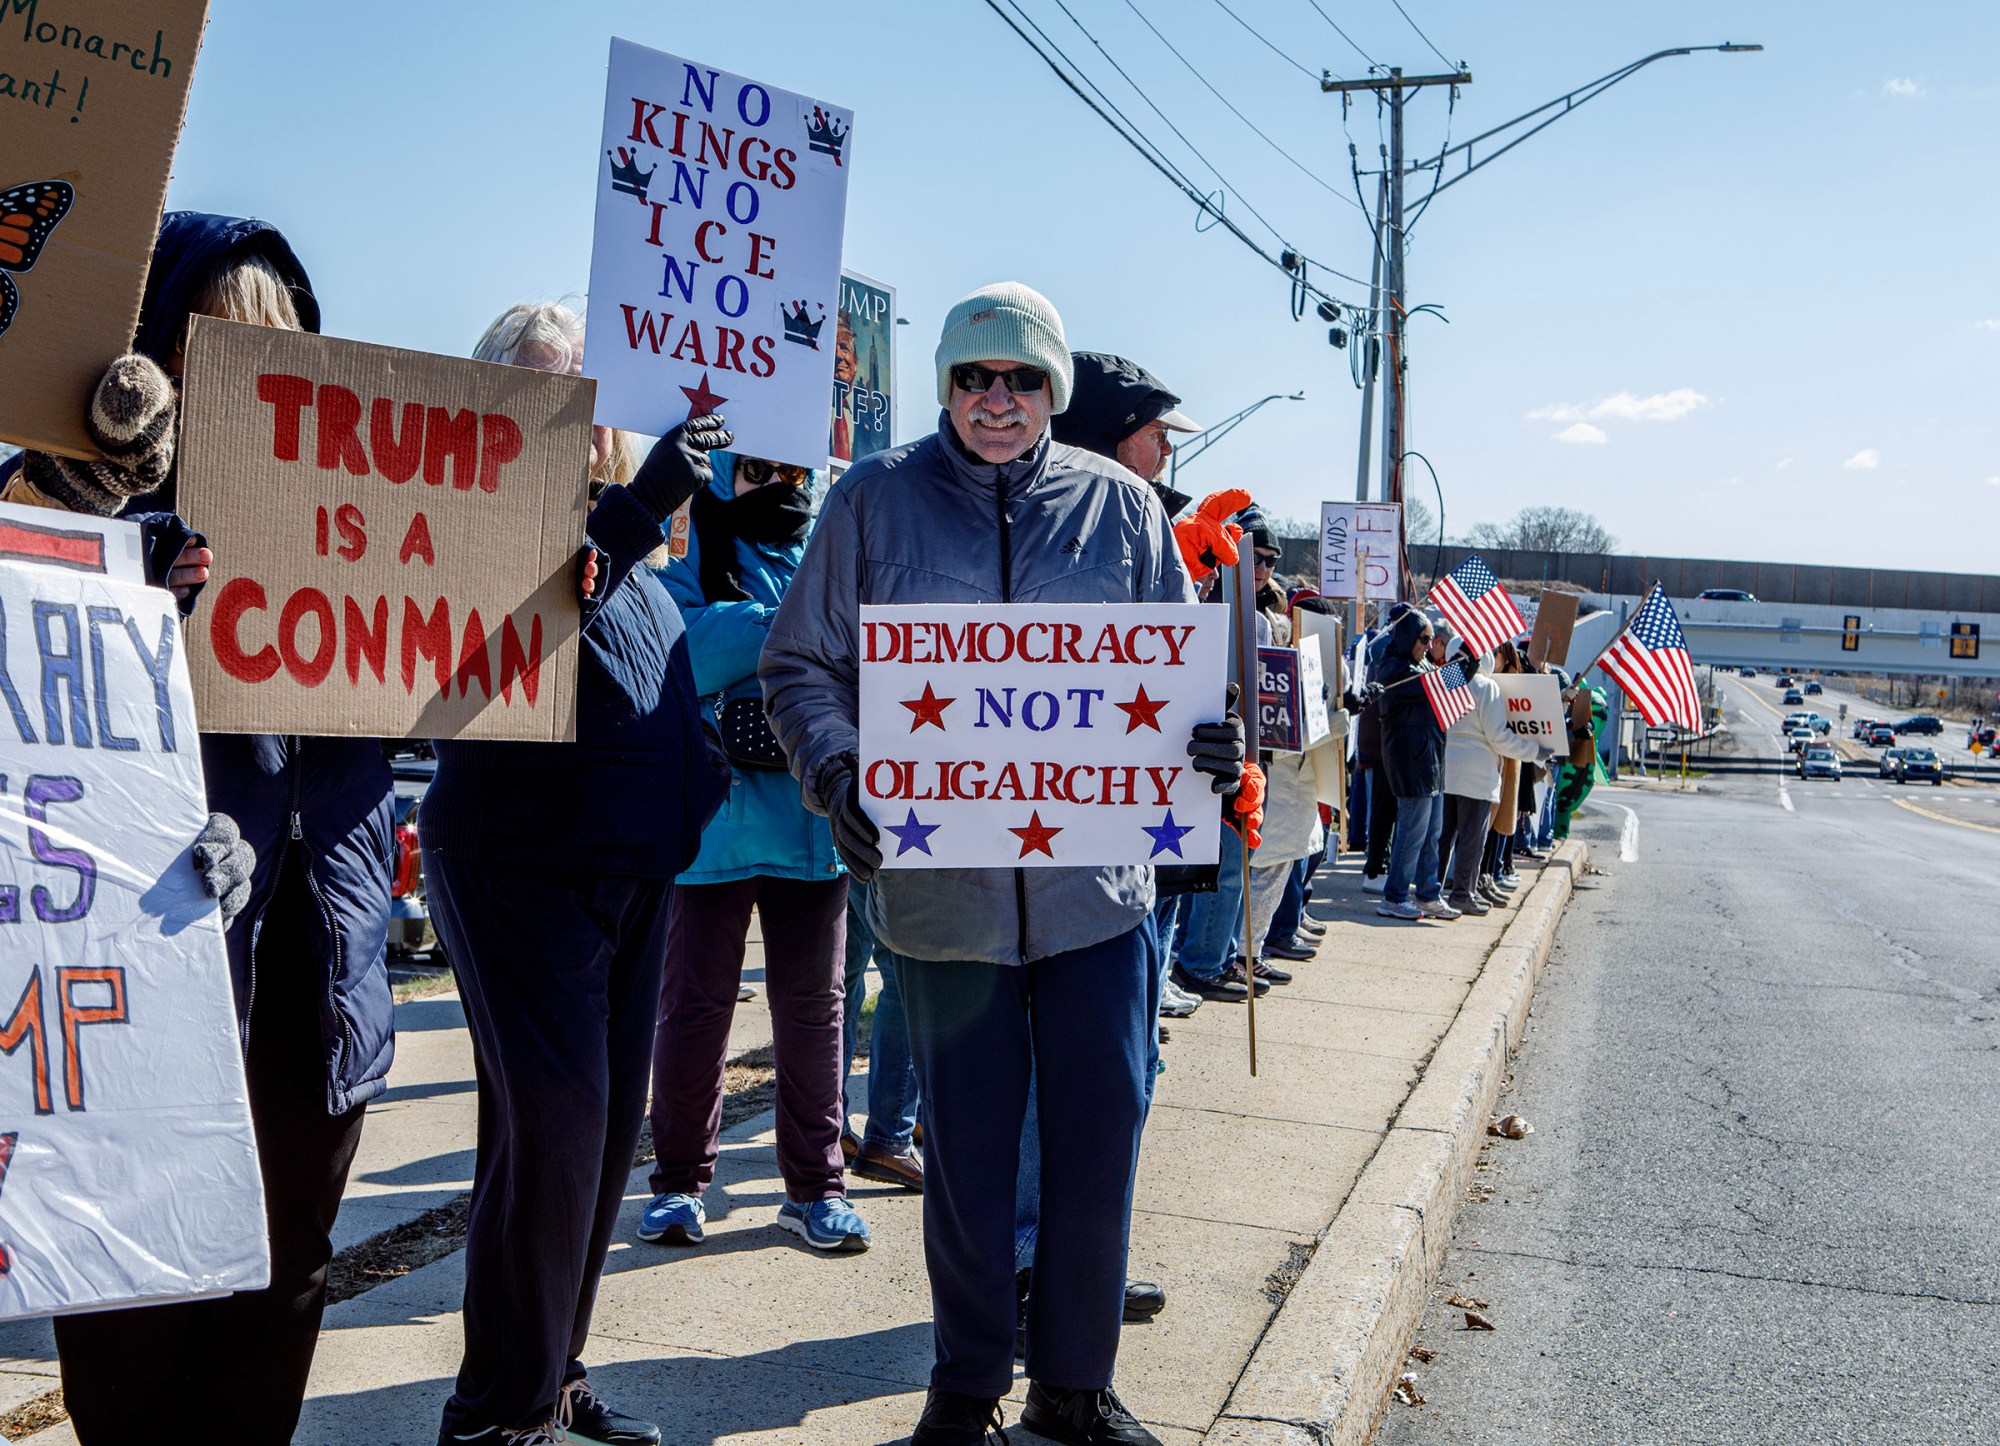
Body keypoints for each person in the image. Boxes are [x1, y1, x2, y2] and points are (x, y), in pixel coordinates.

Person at [761, 282, 1250, 1446]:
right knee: (969, 1163)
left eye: (1022, 378)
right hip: (941, 901)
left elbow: (1181, 679)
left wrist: (1206, 736)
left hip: (1096, 902)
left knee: (1096, 1145)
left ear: (1053, 391)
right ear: (943, 386)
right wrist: (839, 777)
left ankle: (1075, 1391)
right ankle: (966, 1388)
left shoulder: (1125, 510)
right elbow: (798, 668)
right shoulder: (872, 503)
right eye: (974, 377)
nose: (996, 399)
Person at [14, 213, 397, 1446]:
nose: (250, 374)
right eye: (216, 345)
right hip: (139, 977)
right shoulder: (78, 517)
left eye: (277, 348)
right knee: (132, 1294)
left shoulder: (360, 524)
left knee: (283, 1278)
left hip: (314, 964)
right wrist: (119, 548)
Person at [424, 302, 729, 1446]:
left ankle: (552, 1372)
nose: (574, 417)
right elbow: (515, 628)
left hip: (630, 874)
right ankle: (494, 1413)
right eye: (546, 389)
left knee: (600, 1142)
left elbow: (642, 668)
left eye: (587, 396)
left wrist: (704, 773)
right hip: (518, 868)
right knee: (551, 1129)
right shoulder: (463, 520)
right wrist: (640, 506)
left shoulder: (636, 551)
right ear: (493, 399)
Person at [640, 448, 879, 1251]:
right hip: (715, 819)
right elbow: (676, 648)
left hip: (816, 822)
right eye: (756, 474)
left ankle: (816, 1188)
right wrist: (786, 627)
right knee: (694, 1007)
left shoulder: (833, 541)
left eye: (791, 476)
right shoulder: (689, 539)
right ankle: (676, 1183)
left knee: (816, 1011)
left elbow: (870, 655)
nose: (778, 489)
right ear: (721, 475)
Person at [1437, 642, 1545, 915]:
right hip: (1478, 776)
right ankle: (1463, 894)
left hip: (1445, 772)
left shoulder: (1445, 682)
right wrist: (1535, 750)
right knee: (1471, 841)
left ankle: (1432, 889)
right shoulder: (1487, 688)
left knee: (1442, 838)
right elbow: (1500, 738)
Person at [1374, 610, 1459, 922]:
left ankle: (1427, 894)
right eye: (1423, 638)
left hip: (1431, 760)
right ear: (1407, 636)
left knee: (1431, 834)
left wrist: (1470, 659)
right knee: (1411, 833)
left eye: (1430, 639)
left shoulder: (1419, 666)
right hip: (1411, 762)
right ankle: (1394, 896)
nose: (1428, 644)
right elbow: (1434, 685)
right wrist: (1465, 659)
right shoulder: (1394, 668)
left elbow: (1443, 683)